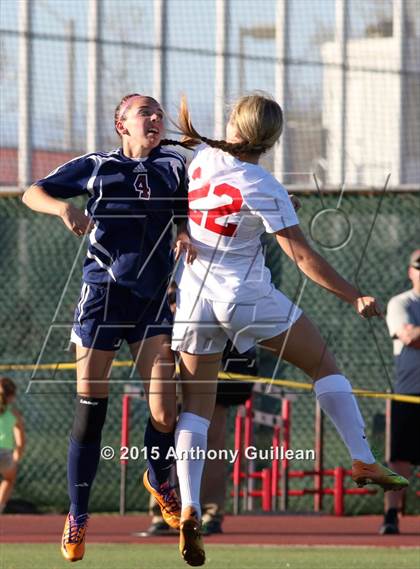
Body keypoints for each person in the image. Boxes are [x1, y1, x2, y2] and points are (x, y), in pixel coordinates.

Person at [169, 92, 409, 566]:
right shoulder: (262, 182)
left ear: (233, 123)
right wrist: (353, 294)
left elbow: (221, 210)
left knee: (195, 408)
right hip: (244, 297)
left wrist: (275, 204)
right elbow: (302, 258)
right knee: (322, 363)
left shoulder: (201, 159)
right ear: (273, 139)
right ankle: (361, 455)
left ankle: (190, 506)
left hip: (194, 300)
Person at [22, 94, 195, 562]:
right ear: (121, 124)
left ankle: (159, 478)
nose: (156, 118)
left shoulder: (175, 166)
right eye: (146, 113)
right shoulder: (97, 166)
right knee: (91, 407)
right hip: (103, 298)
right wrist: (62, 209)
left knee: (165, 411)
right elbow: (32, 192)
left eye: (159, 113)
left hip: (152, 300)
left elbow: (183, 210)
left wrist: (182, 230)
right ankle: (78, 515)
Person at [379, 249, 420, 535]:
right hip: (409, 394)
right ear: (411, 271)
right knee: (398, 461)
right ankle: (391, 515)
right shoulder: (401, 303)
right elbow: (409, 337)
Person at [0, 377, 25, 514]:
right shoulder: (14, 413)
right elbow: (20, 441)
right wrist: (16, 458)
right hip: (5, 455)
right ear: (12, 396)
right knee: (9, 479)